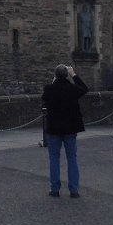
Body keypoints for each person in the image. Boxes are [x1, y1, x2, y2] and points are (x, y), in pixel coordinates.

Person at [42, 64, 89, 198]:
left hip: (54, 129)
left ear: (55, 76)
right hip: (70, 129)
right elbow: (85, 89)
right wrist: (73, 75)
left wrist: (54, 82)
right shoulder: (72, 89)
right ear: (66, 75)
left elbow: (45, 99)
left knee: (54, 159)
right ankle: (74, 190)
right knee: (72, 158)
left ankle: (55, 189)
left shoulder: (49, 89)